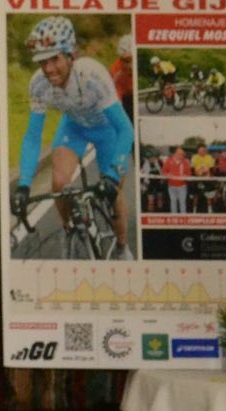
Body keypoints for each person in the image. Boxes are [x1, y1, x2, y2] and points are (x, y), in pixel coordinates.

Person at [11, 16, 136, 258]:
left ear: (71, 55)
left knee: (114, 193)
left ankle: (122, 246)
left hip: (107, 129)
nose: (48, 70)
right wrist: (24, 184)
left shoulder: (93, 76)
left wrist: (113, 173)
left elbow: (125, 129)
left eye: (54, 59)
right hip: (74, 127)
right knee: (58, 183)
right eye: (41, 62)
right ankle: (73, 233)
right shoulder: (38, 84)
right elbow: (32, 136)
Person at [164, 144, 192, 214]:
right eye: (180, 154)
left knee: (182, 202)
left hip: (182, 186)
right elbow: (164, 170)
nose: (181, 155)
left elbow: (189, 172)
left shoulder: (185, 162)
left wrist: (186, 175)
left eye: (182, 154)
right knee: (173, 202)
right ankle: (174, 218)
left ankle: (183, 218)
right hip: (171, 185)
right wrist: (167, 174)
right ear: (175, 154)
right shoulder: (168, 160)